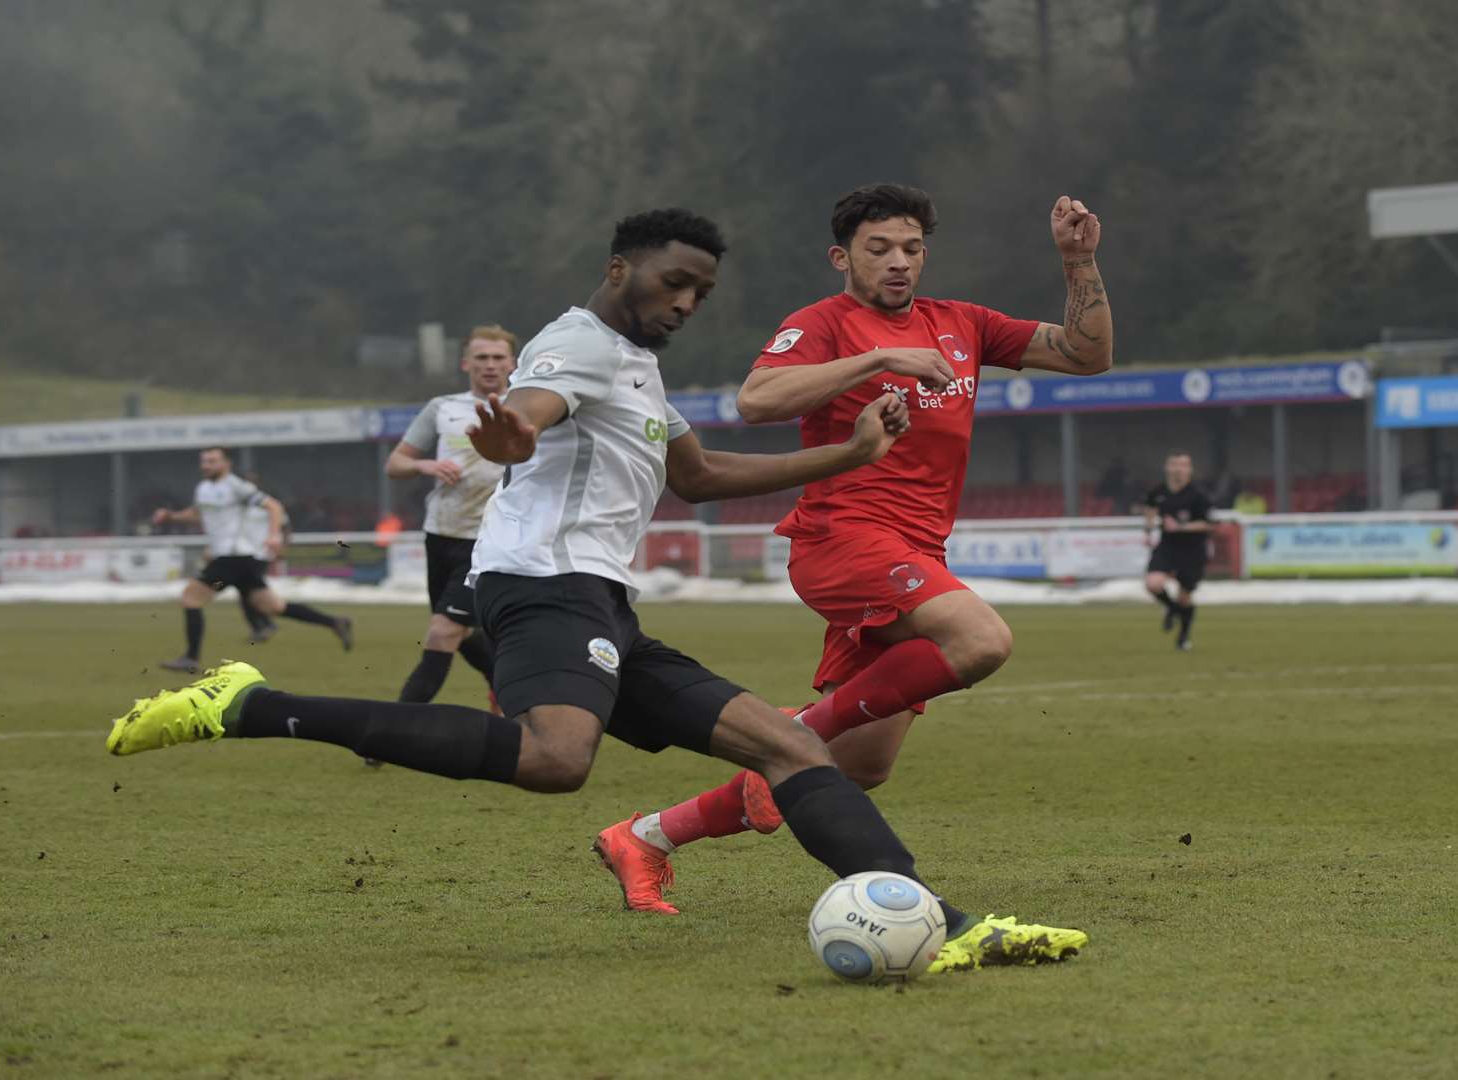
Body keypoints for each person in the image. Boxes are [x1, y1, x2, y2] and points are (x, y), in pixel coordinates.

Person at [102, 208, 1086, 975]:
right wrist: (511, 435)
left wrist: (848, 450)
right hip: (539, 586)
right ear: (621, 273)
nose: (685, 300)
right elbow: (532, 410)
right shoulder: (579, 347)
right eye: (672, 281)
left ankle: (944, 924)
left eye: (700, 289)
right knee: (555, 760)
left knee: (788, 745)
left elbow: (697, 480)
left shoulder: (639, 371)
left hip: (598, 601)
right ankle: (249, 704)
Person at [596, 183, 1113, 916]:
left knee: (857, 765)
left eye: (912, 249)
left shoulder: (961, 322)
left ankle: (647, 836)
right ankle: (796, 728)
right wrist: (878, 362)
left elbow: (1086, 355)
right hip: (843, 540)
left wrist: (1079, 262)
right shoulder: (823, 324)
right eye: (879, 249)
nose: (899, 263)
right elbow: (757, 400)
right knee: (982, 639)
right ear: (843, 257)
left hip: (916, 554)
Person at [385, 326, 518, 706]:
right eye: (481, 358)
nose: (490, 365)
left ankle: (392, 730)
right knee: (462, 634)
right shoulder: (442, 407)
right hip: (440, 534)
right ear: (466, 364)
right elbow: (396, 463)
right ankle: (511, 688)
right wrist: (427, 466)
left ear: (512, 363)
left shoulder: (528, 408)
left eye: (497, 358)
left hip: (490, 543)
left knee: (443, 632)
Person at [149, 447, 353, 673]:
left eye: (212, 461)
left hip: (233, 557)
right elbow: (197, 514)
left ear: (227, 463)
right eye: (204, 461)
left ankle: (191, 658)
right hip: (238, 560)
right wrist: (170, 516)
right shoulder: (204, 488)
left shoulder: (237, 486)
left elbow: (274, 506)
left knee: (191, 598)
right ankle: (335, 622)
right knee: (273, 606)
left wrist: (274, 536)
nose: (206, 465)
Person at [1142, 451, 1212, 651]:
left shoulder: (1199, 494)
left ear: (1190, 469)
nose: (1178, 469)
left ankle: (1183, 636)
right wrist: (1148, 529)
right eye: (1174, 465)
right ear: (1167, 467)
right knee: (1153, 583)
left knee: (1184, 597)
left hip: (1193, 550)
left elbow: (1209, 524)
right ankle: (1172, 609)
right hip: (1167, 547)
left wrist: (1182, 527)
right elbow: (1150, 508)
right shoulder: (1159, 491)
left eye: (1182, 465)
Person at [234, 471, 284, 644]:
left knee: (250, 592)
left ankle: (264, 624)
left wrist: (279, 544)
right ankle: (262, 625)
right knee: (247, 592)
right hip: (243, 553)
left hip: (261, 553)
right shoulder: (239, 505)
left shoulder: (265, 503)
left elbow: (284, 525)